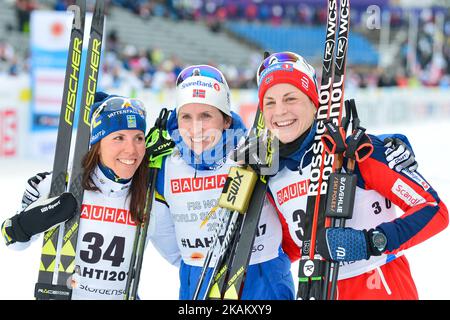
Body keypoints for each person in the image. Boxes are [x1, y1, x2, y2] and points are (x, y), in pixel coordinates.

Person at [255, 52, 448, 299]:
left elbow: (434, 210)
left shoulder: (354, 151)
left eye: (290, 98)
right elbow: (294, 245)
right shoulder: (275, 174)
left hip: (379, 286)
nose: (280, 111)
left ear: (315, 103)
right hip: (317, 289)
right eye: (269, 102)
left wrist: (371, 242)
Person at [148, 64, 295, 300]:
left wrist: (271, 259)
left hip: (263, 280)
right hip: (199, 281)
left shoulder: (254, 151)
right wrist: (195, 264)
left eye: (206, 115)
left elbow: (292, 213)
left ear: (226, 120)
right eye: (186, 116)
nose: (196, 127)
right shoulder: (166, 165)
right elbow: (162, 233)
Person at [1, 92, 150, 300]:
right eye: (118, 138)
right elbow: (11, 239)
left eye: (138, 138)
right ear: (97, 145)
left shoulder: (149, 195)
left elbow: (179, 254)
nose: (131, 149)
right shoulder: (62, 185)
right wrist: (29, 222)